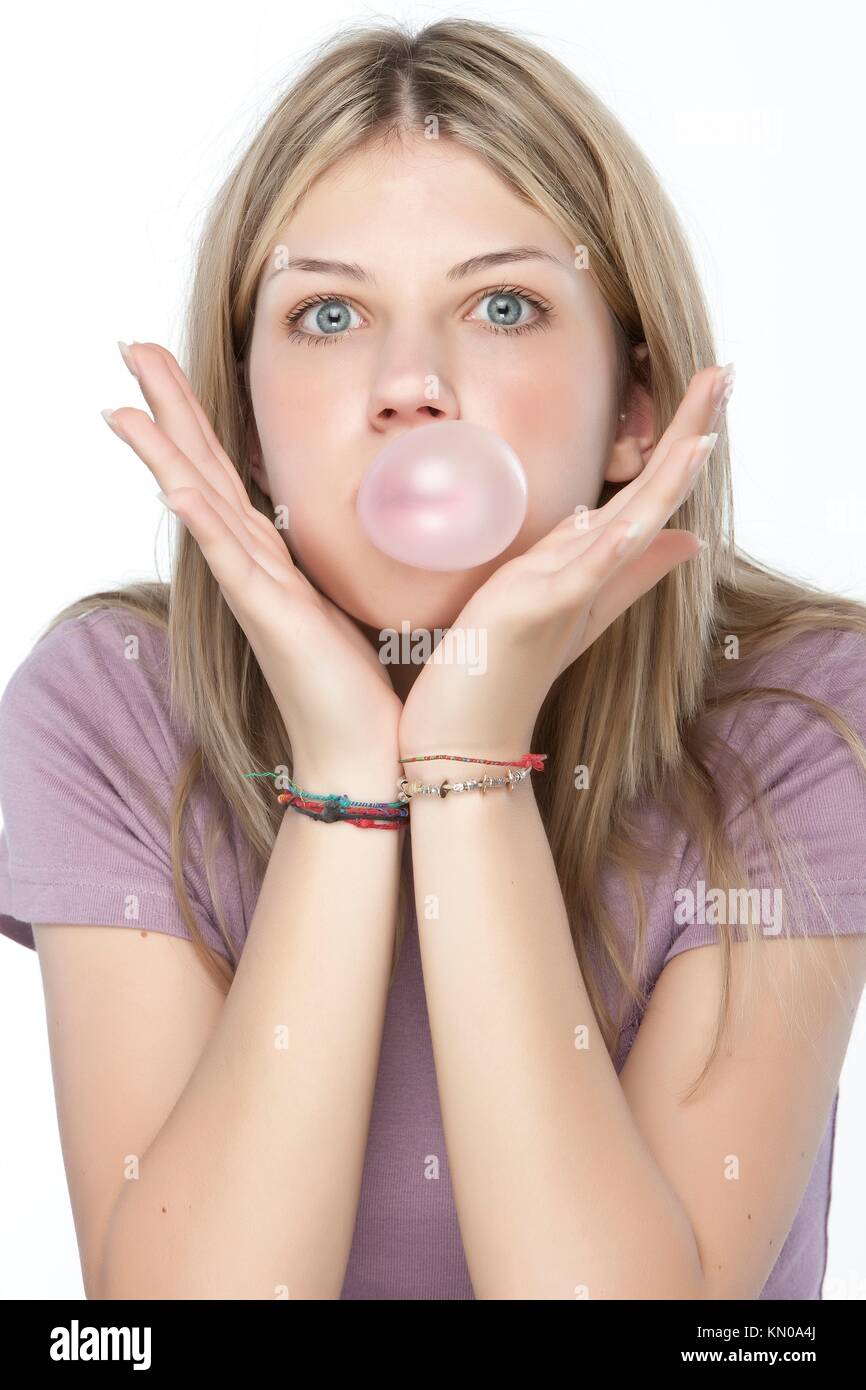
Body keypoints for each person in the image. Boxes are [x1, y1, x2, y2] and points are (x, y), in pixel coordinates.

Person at [1, 17, 865, 1301]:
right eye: (329, 311)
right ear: (244, 423)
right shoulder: (115, 703)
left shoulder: (801, 710)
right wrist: (349, 774)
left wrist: (467, 757)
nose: (409, 384)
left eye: (502, 304)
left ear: (633, 409)